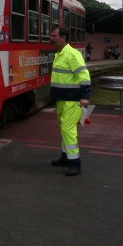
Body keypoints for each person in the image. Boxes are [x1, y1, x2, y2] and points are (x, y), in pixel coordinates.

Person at [49, 26, 92, 176]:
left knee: (68, 130)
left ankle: (75, 164)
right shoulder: (59, 54)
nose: (51, 38)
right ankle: (65, 158)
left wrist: (85, 97)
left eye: (54, 35)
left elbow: (84, 77)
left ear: (64, 38)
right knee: (63, 130)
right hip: (61, 100)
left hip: (72, 101)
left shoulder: (72, 54)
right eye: (51, 35)